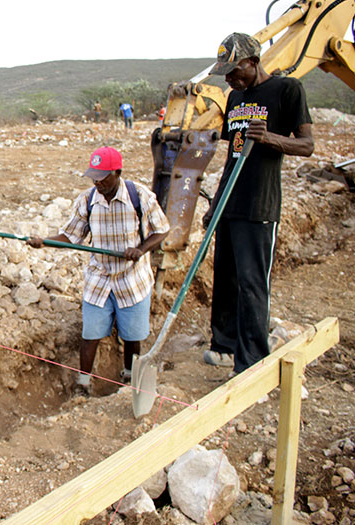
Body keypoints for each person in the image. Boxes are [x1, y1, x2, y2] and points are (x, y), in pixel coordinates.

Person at [202, 33, 314, 376]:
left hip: (260, 204)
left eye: (235, 70)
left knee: (252, 281)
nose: (230, 78)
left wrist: (269, 138)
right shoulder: (235, 98)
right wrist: (215, 204)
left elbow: (307, 145)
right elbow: (231, 155)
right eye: (225, 73)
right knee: (225, 277)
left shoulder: (286, 90)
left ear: (253, 61)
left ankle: (251, 360)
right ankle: (224, 345)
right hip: (230, 202)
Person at [27, 147, 169, 396]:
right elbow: (70, 236)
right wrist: (44, 241)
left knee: (131, 335)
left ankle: (129, 377)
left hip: (132, 279)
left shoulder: (140, 196)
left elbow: (162, 229)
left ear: (118, 172)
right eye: (94, 176)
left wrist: (141, 249)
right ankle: (83, 384)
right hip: (99, 279)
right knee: (90, 334)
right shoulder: (86, 200)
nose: (97, 182)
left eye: (103, 176)